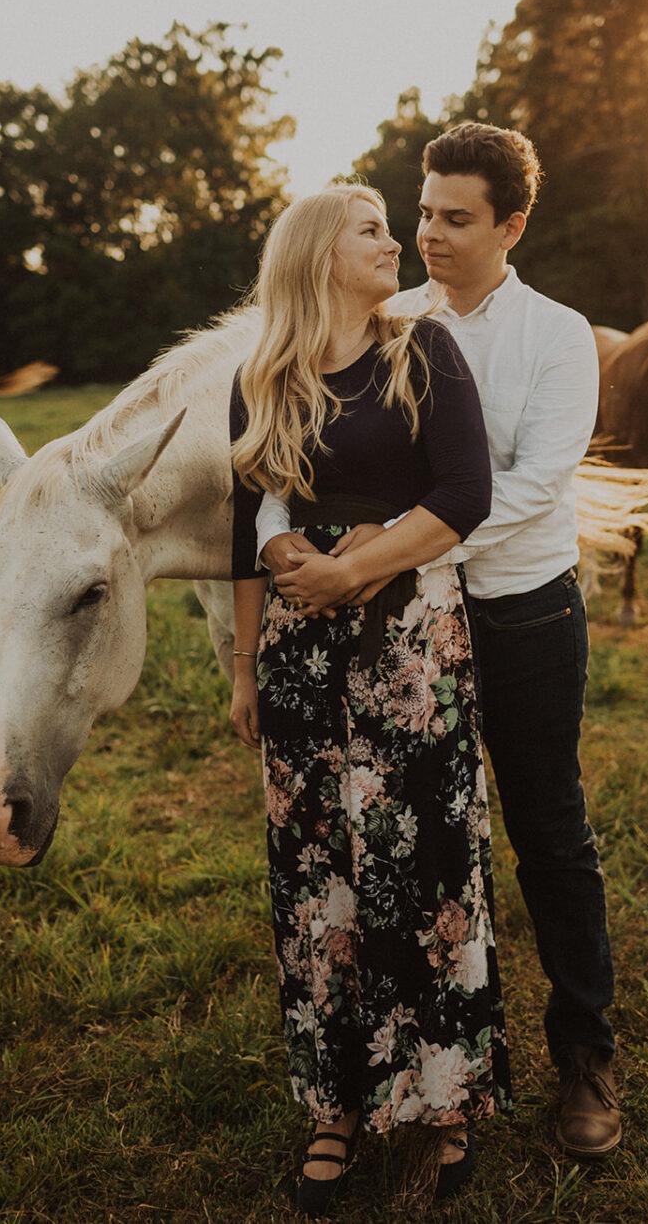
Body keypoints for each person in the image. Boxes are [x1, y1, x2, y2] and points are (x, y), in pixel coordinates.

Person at [261, 124, 623, 1161]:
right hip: (398, 635)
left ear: (510, 225)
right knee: (412, 851)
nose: (428, 235)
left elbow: (527, 486)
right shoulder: (390, 319)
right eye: (422, 212)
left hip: (516, 613)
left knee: (547, 829)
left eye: (456, 219)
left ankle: (583, 1057)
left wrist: (386, 549)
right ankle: (418, 1069)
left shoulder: (556, 334)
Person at [229, 183, 511, 1215]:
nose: (399, 242)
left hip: (408, 646)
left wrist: (360, 569)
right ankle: (335, 1101)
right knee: (317, 879)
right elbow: (244, 519)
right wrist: (243, 665)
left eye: (397, 227)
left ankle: (442, 1097)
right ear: (316, 255)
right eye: (372, 230)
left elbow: (464, 493)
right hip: (299, 658)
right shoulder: (262, 373)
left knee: (420, 861)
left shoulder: (421, 352)